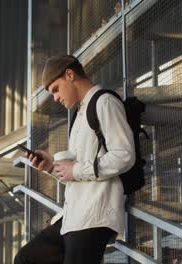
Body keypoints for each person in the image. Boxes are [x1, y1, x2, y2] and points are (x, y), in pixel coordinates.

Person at [14, 55, 135, 264]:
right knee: (27, 259)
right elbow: (76, 170)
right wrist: (51, 167)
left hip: (93, 215)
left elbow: (125, 155)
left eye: (56, 89)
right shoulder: (79, 115)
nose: (55, 98)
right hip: (72, 216)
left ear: (69, 75)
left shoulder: (104, 101)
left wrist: (76, 170)